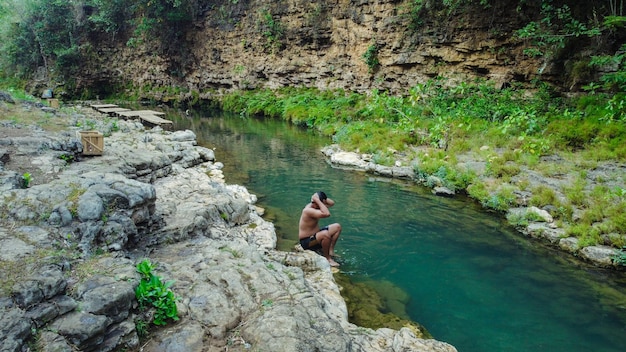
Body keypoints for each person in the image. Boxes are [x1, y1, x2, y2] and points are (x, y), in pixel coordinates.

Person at [298, 191, 342, 267]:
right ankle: (328, 259)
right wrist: (317, 200)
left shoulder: (318, 205)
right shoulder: (308, 210)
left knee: (337, 227)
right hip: (306, 242)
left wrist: (320, 197)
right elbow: (327, 214)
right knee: (325, 234)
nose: (312, 203)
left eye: (314, 202)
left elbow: (332, 203)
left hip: (315, 236)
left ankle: (330, 251)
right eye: (312, 202)